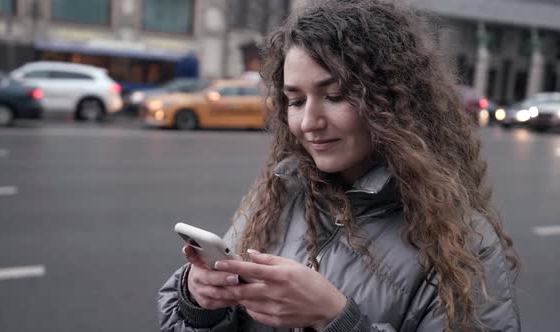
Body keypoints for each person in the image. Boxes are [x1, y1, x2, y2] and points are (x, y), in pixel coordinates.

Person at [157, 0, 520, 331]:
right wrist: (199, 302)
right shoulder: (278, 194)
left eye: (334, 96)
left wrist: (336, 319)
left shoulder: (467, 243)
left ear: (393, 102)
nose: (309, 122)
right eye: (295, 101)